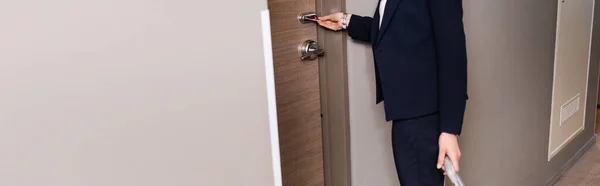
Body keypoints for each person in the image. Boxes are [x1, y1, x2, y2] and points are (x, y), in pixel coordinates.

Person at [317, 0, 468, 185]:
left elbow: (453, 54)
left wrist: (449, 130)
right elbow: (396, 28)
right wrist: (347, 21)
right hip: (406, 113)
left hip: (424, 116)